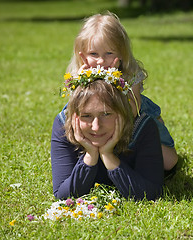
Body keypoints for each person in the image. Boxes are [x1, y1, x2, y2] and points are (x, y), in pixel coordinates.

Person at [59, 11, 178, 176]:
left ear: (121, 53)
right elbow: (76, 107)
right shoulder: (79, 74)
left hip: (132, 119)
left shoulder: (129, 73)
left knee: (169, 162)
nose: (101, 61)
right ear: (82, 55)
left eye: (109, 53)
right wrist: (81, 82)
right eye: (94, 54)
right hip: (95, 122)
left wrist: (114, 81)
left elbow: (133, 110)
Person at [51, 67, 164, 200]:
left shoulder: (143, 127)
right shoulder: (63, 125)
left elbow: (151, 194)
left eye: (106, 114)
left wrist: (108, 156)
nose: (96, 126)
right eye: (86, 116)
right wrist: (90, 156)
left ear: (121, 113)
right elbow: (63, 195)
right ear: (75, 117)